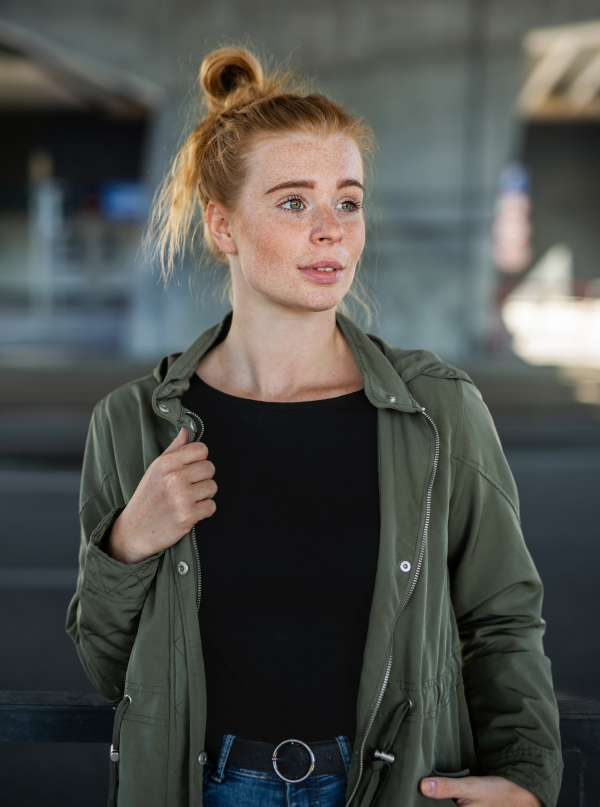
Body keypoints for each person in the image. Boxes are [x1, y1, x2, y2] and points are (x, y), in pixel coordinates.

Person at [67, 47, 562, 807]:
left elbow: (501, 617)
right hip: (207, 789)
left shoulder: (439, 409)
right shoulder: (134, 424)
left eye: (348, 201)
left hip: (395, 788)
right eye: (294, 203)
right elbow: (111, 668)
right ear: (224, 226)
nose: (331, 230)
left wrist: (528, 778)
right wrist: (130, 543)